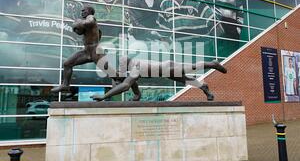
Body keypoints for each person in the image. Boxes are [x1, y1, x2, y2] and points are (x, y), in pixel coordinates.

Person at [91, 57, 227, 102]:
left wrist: (104, 96)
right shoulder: (134, 67)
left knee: (190, 68)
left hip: (168, 68)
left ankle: (212, 64)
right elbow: (132, 85)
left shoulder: (135, 67)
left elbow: (126, 85)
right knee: (187, 80)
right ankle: (205, 89)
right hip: (165, 71)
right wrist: (137, 96)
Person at [51, 6, 105, 93]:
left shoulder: (90, 17)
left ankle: (129, 83)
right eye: (82, 11)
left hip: (95, 51)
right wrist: (76, 26)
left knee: (112, 74)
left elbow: (89, 22)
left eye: (84, 10)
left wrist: (78, 23)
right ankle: (65, 85)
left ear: (90, 12)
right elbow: (80, 32)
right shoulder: (87, 23)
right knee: (67, 64)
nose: (82, 12)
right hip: (86, 51)